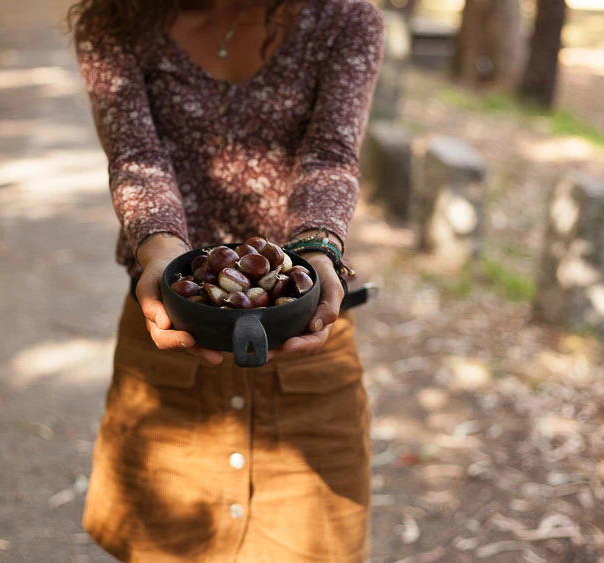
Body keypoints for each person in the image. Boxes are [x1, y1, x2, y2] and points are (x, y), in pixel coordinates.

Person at [69, 0, 384, 560]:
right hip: (169, 335)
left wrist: (316, 249)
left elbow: (330, 154)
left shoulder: (345, 19)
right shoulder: (114, 21)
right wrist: (162, 250)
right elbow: (137, 156)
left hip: (303, 344)